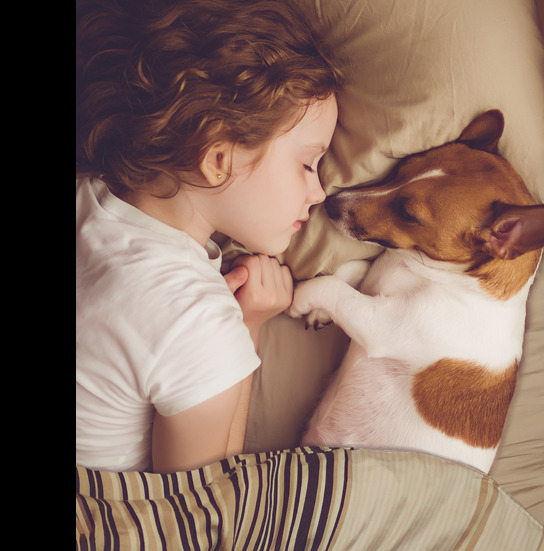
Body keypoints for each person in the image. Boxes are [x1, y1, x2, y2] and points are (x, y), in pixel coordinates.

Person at [75, 0, 345, 473]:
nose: (320, 192)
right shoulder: (197, 322)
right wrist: (248, 327)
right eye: (306, 163)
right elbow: (201, 507)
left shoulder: (87, 192)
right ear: (218, 159)